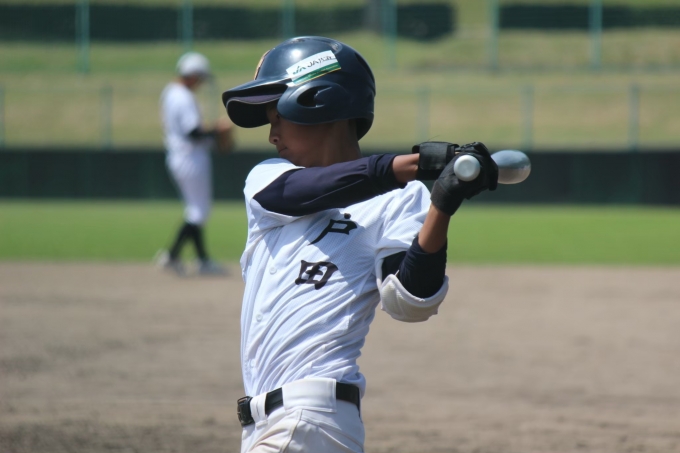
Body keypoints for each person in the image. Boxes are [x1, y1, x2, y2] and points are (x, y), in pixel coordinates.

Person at [221, 36, 498, 452]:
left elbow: (410, 301)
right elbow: (302, 192)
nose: (272, 135)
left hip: (310, 417)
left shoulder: (400, 199)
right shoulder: (269, 177)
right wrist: (416, 164)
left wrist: (442, 203)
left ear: (319, 102)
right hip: (270, 427)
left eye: (278, 117)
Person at [157, 52, 233, 276]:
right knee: (198, 211)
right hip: (190, 157)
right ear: (191, 75)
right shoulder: (183, 97)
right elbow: (193, 132)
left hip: (180, 155)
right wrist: (217, 130)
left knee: (196, 210)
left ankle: (201, 259)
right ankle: (173, 255)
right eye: (200, 77)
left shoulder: (170, 92)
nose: (201, 82)